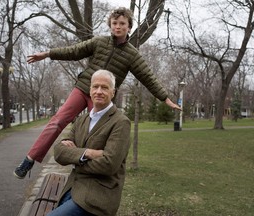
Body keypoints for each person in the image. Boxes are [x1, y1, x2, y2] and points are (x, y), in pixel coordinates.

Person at [13, 7, 181, 179]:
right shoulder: (99, 42)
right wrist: (48, 54)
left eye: (122, 23)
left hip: (103, 97)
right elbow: (74, 51)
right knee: (57, 121)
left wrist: (165, 98)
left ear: (129, 27)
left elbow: (147, 76)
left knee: (97, 134)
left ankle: (88, 171)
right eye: (114, 23)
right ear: (110, 25)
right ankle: (29, 159)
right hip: (84, 88)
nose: (118, 26)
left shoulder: (132, 54)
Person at [47, 69, 131, 216]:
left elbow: (109, 165)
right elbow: (59, 152)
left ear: (113, 92)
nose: (99, 91)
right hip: (73, 188)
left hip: (97, 196)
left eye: (104, 87)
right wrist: (88, 153)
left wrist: (74, 158)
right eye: (95, 86)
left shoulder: (121, 122)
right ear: (90, 89)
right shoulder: (82, 119)